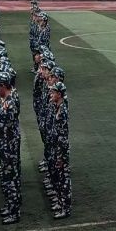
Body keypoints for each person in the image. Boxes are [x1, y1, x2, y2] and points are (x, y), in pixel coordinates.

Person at [0, 72, 22, 224]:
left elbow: (5, 126)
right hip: (5, 144)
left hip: (9, 146)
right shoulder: (5, 100)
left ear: (4, 86)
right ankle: (11, 206)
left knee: (11, 178)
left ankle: (14, 211)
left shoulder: (9, 104)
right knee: (8, 178)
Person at [47, 82, 71, 219]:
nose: (51, 94)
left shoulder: (62, 112)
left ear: (59, 94)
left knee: (64, 179)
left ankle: (65, 208)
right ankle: (61, 203)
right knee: (59, 177)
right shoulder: (57, 107)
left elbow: (63, 136)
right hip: (57, 148)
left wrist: (61, 156)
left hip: (61, 150)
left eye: (53, 92)